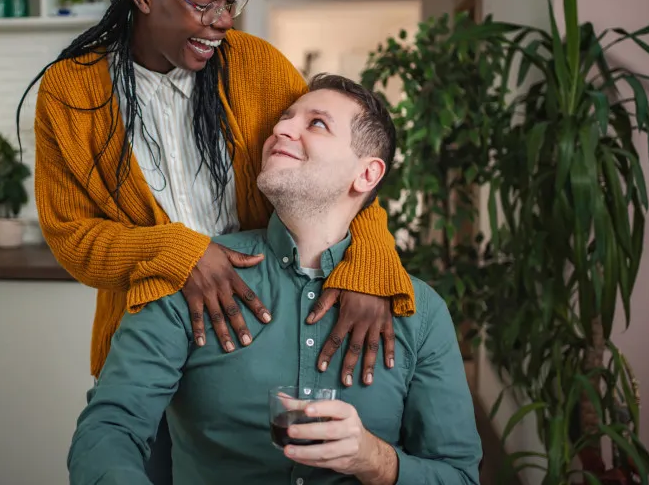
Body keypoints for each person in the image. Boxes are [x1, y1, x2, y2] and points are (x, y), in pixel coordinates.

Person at [23, 0, 417, 484]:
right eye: (204, 3)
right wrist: (181, 252)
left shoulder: (256, 66)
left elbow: (338, 176)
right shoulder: (72, 92)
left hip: (260, 338)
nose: (224, 19)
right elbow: (71, 237)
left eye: (230, 1)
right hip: (148, 340)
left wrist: (369, 261)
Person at [67, 74, 482, 485]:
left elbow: (459, 475)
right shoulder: (190, 274)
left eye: (316, 123)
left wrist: (373, 459)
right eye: (283, 119)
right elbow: (108, 430)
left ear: (368, 175)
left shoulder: (419, 312)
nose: (280, 129)